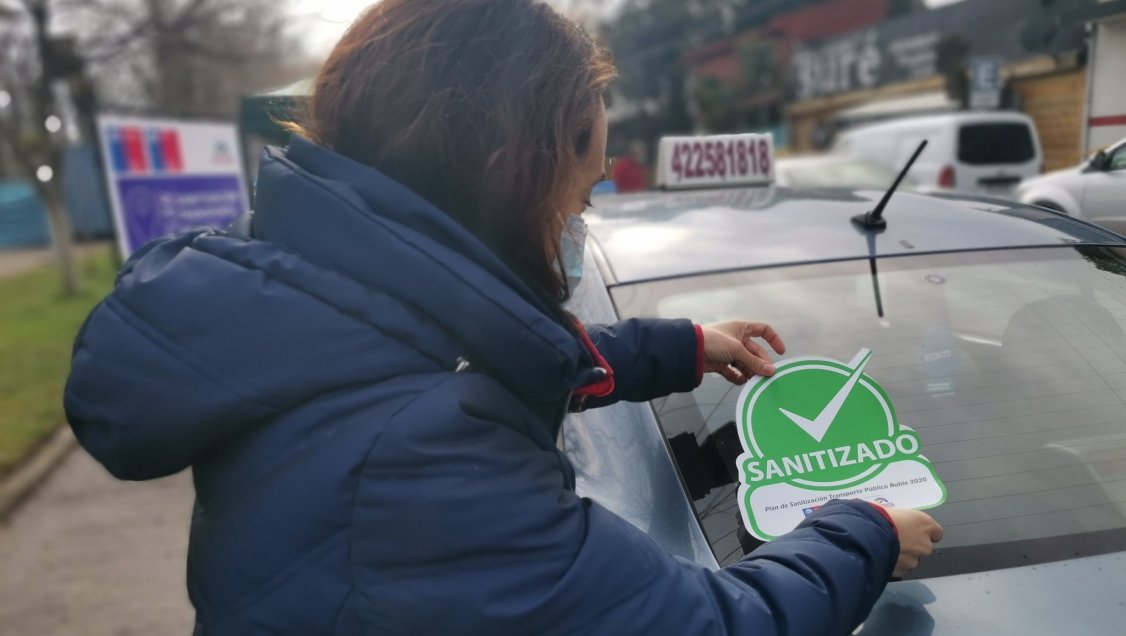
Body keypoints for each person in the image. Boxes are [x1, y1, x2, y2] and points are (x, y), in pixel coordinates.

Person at [64, 1, 942, 634]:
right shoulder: (425, 464)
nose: (579, 223)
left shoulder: (301, 293)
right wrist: (860, 532)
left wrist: (676, 348)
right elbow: (709, 622)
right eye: (581, 193)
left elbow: (461, 354)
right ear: (508, 174)